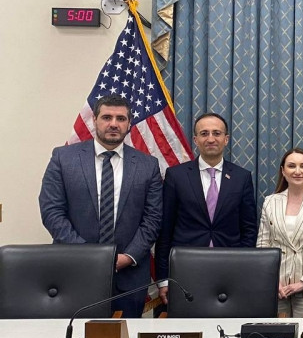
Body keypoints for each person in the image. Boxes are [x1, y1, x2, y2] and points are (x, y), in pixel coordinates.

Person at [39, 94, 162, 318]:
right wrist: (89, 256)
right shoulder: (63, 158)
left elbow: (153, 219)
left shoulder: (148, 165)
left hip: (129, 274)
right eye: (106, 117)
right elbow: (51, 211)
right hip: (74, 271)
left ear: (129, 123)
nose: (113, 124)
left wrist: (129, 256)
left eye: (120, 118)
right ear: (94, 120)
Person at [155, 113, 258, 307]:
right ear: (196, 140)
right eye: (204, 133)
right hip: (187, 268)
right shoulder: (176, 176)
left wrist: (245, 267)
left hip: (230, 268)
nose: (210, 138)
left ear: (226, 139)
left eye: (216, 133)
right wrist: (163, 278)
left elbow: (249, 229)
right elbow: (165, 230)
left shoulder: (242, 177)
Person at [257, 148, 303, 317]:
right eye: (291, 166)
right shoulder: (270, 202)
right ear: (283, 171)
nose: (298, 171)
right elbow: (263, 246)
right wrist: (273, 281)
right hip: (277, 286)